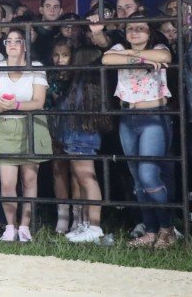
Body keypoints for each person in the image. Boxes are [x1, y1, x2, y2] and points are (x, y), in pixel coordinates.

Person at [102, 15, 175, 248]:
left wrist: (132, 55)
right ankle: (151, 230)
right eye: (130, 28)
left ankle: (167, 227)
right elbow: (106, 59)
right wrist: (136, 56)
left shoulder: (158, 47)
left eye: (140, 28)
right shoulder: (119, 48)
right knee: (137, 178)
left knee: (148, 174)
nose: (135, 32)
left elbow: (164, 57)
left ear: (149, 31)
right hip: (127, 118)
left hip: (153, 115)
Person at [0, 29, 51, 242]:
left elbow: (39, 102)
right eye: (8, 41)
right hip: (6, 126)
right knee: (7, 183)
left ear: (25, 45)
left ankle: (25, 226)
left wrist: (15, 105)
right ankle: (10, 226)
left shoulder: (36, 68)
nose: (11, 45)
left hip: (32, 125)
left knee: (29, 179)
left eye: (17, 41)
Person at [58, 47, 111, 243]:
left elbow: (67, 108)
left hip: (80, 137)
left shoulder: (82, 86)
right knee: (83, 180)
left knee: (88, 179)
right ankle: (87, 224)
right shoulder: (92, 84)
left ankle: (94, 226)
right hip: (79, 136)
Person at [46, 38, 77, 234]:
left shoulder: (78, 76)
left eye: (65, 55)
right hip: (53, 124)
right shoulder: (49, 75)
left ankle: (79, 216)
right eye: (56, 55)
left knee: (77, 169)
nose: (60, 59)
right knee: (58, 168)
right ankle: (62, 217)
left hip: (74, 125)